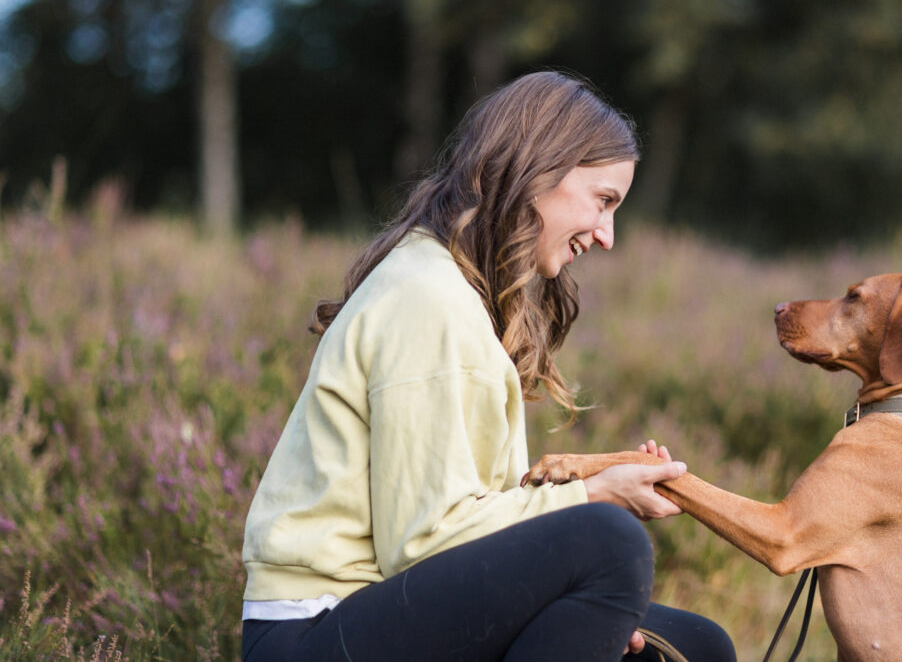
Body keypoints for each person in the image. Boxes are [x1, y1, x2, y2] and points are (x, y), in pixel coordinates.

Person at [240, 71, 736, 661]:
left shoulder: (454, 295)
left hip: (383, 612)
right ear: (540, 169)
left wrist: (581, 605)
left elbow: (458, 537)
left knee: (698, 646)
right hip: (313, 630)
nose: (606, 236)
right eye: (603, 201)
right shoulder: (428, 298)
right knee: (610, 544)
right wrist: (594, 497)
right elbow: (423, 545)